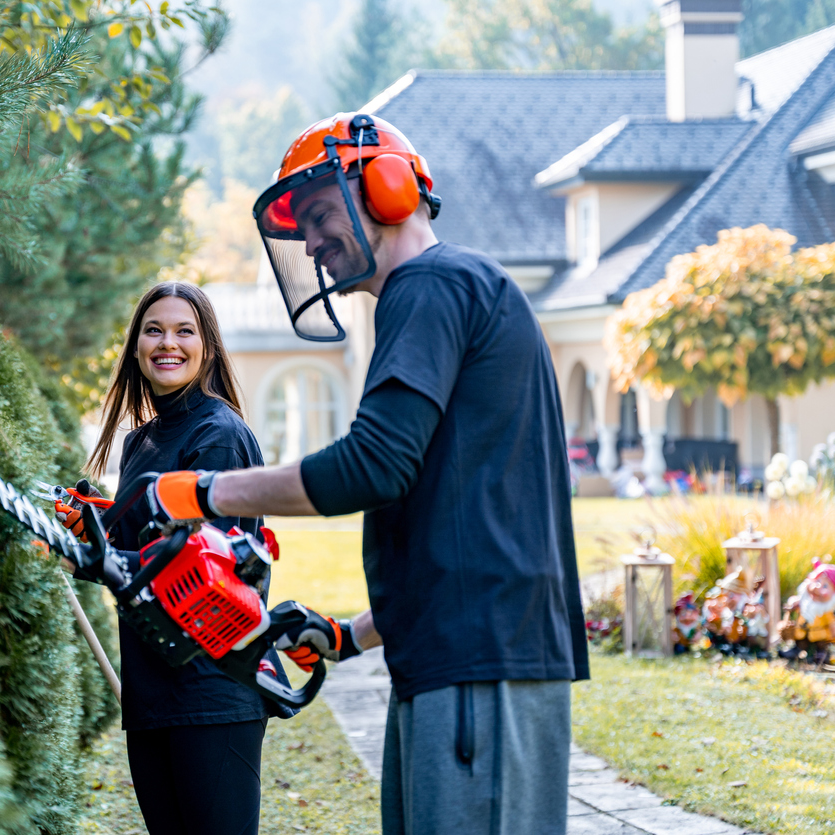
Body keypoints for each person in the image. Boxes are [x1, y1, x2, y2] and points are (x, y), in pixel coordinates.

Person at [142, 113, 589, 835]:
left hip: (480, 670)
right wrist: (349, 635)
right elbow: (465, 528)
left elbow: (370, 464)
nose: (311, 243)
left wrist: (196, 492)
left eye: (318, 216)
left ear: (384, 186)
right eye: (303, 230)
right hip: (459, 659)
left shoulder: (429, 287)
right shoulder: (448, 293)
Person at [61, 281, 290, 835]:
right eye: (154, 329)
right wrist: (97, 529)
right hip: (153, 689)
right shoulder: (141, 442)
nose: (169, 343)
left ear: (206, 346)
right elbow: (147, 540)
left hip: (212, 690)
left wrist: (103, 547)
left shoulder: (217, 436)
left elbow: (203, 571)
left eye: (184, 330)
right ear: (136, 345)